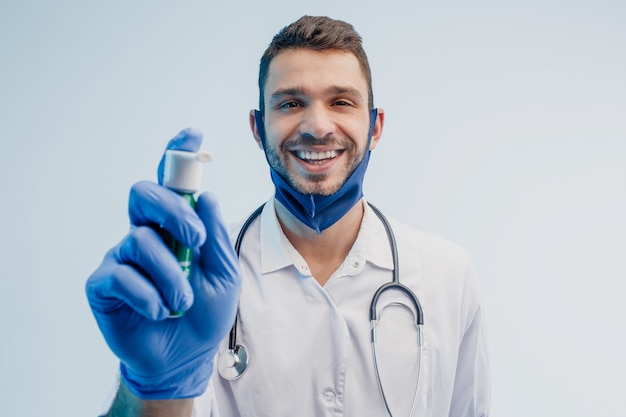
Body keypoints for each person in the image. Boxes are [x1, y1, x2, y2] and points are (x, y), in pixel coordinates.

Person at [86, 15, 490, 417]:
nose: (316, 126)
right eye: (291, 103)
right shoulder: (193, 277)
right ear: (258, 128)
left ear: (375, 126)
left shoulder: (447, 274)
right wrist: (153, 388)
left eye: (341, 102)